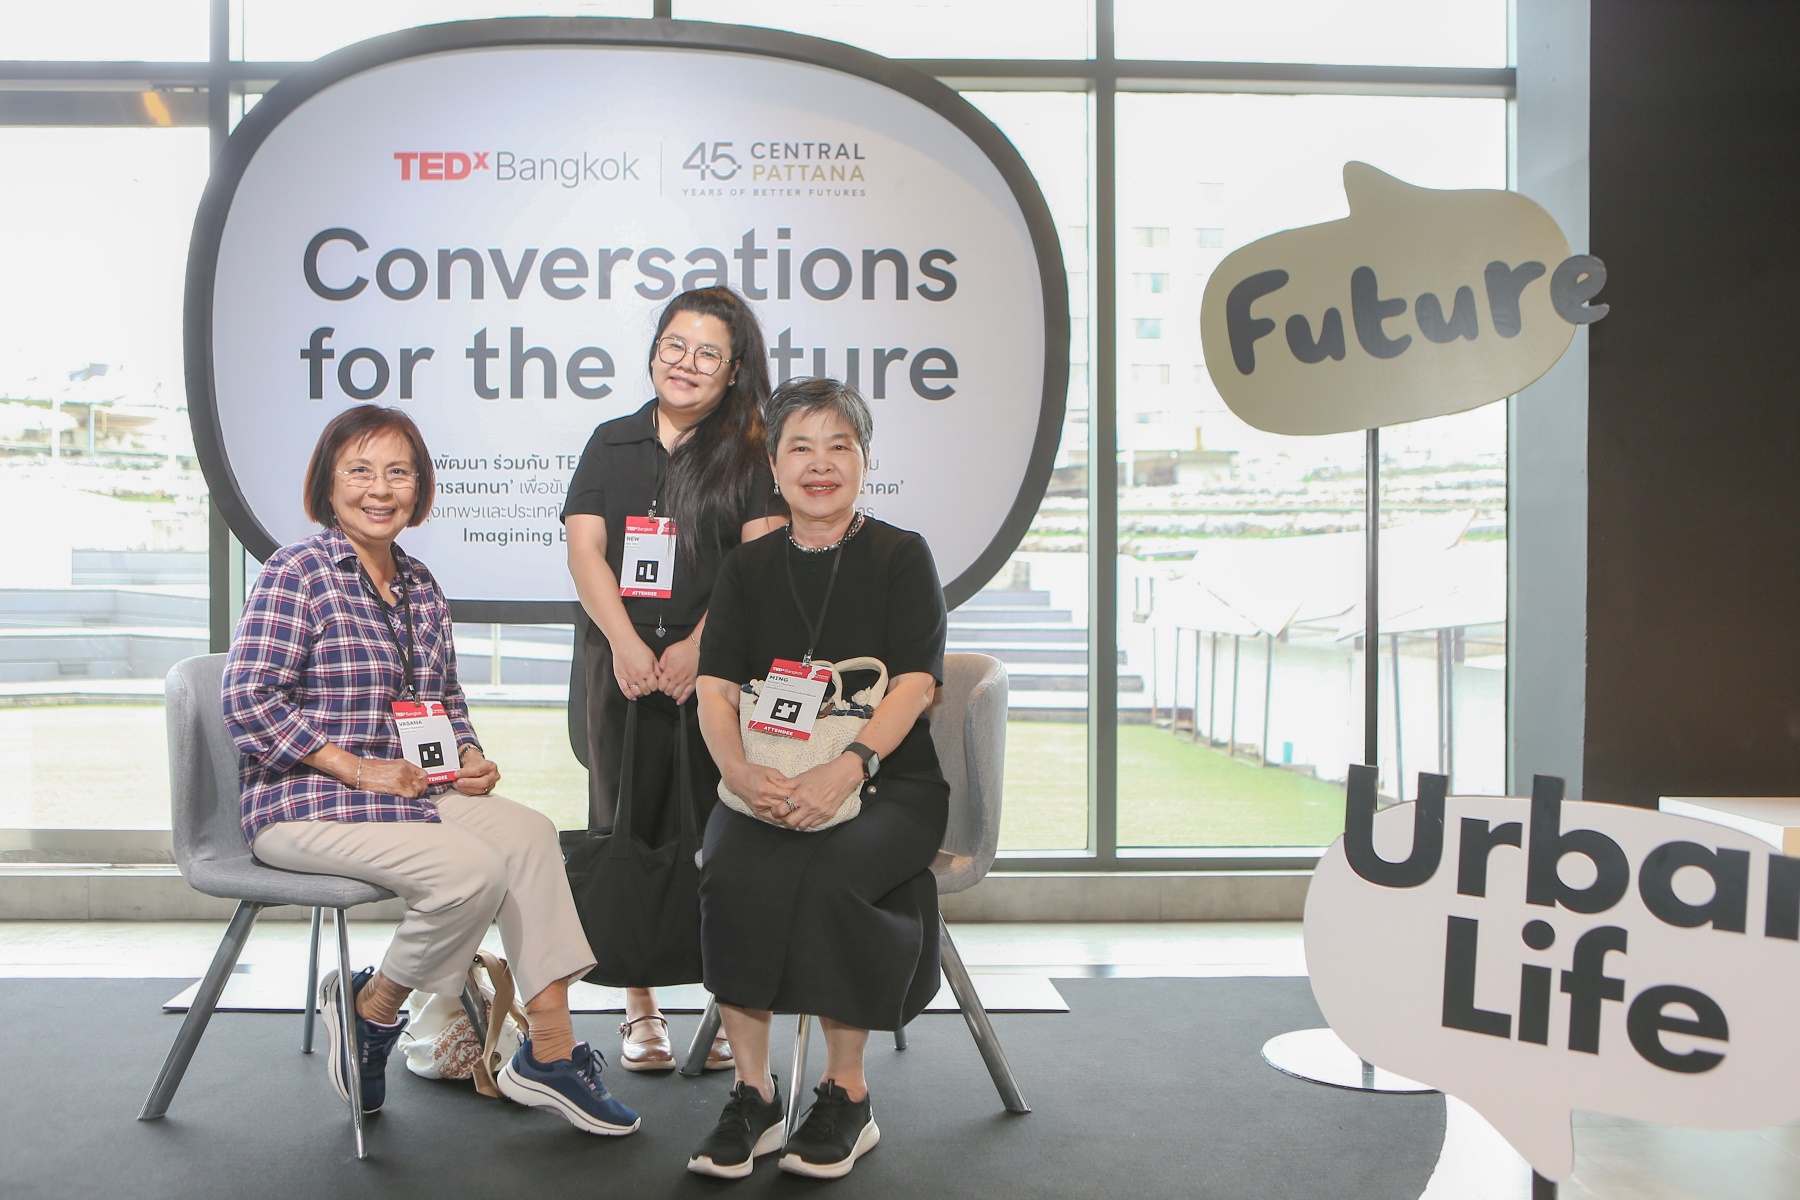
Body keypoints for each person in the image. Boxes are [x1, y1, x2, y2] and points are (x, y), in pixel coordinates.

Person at [223, 405, 639, 1136]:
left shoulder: (420, 583)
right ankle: (373, 1012)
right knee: (470, 872)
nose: (380, 489)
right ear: (328, 483)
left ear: (419, 488)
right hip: (303, 802)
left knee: (530, 835)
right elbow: (248, 701)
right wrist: (359, 768)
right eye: (360, 470)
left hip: (409, 794)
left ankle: (550, 1051)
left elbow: (442, 702)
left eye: (398, 472)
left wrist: (468, 756)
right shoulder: (298, 573)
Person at [687, 377, 949, 1181]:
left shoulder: (901, 555)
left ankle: (846, 1095)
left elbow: (916, 684)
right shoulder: (746, 567)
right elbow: (714, 689)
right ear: (774, 466)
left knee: (834, 869)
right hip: (767, 773)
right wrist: (739, 772)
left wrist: (849, 766)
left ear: (865, 460)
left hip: (888, 781)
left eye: (840, 445)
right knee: (731, 864)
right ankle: (754, 1095)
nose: (821, 464)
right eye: (801, 447)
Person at [563, 287, 785, 1072]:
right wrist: (625, 643)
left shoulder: (750, 452)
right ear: (655, 350)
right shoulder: (611, 441)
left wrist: (701, 647)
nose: (685, 364)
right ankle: (640, 1007)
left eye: (707, 353)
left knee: (722, 836)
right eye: (674, 346)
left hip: (713, 675)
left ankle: (727, 1004)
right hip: (618, 670)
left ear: (734, 370)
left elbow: (760, 561)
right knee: (625, 824)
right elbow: (585, 552)